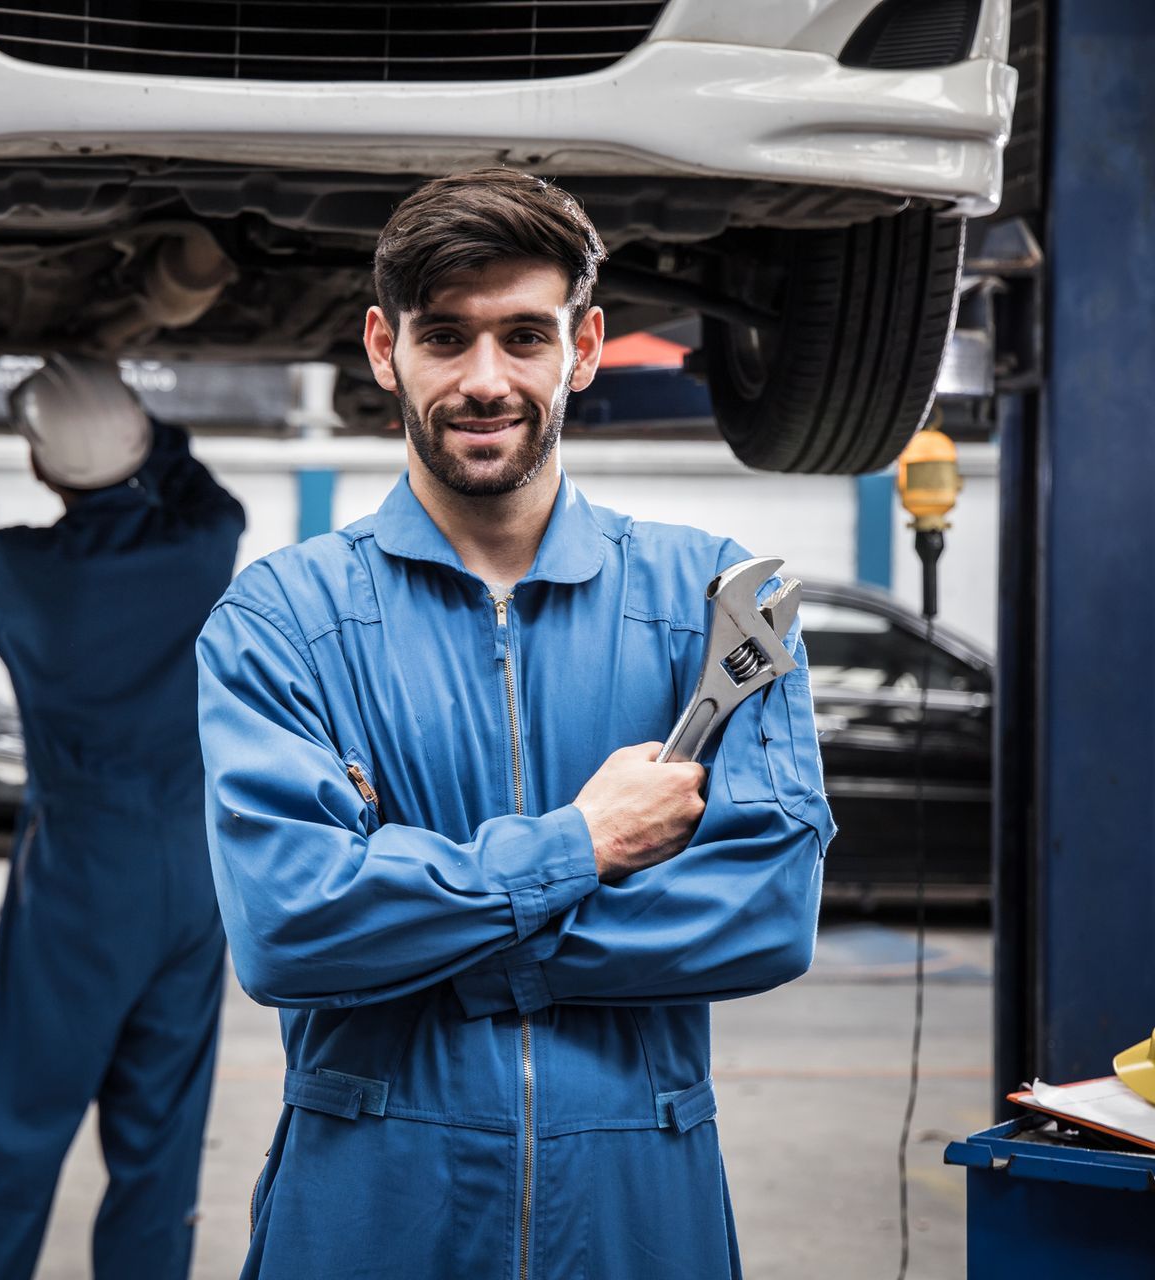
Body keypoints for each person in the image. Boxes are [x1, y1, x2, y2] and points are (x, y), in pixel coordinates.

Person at [195, 168, 833, 1278]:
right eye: (446, 336)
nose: (485, 380)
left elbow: (767, 911)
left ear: (583, 347)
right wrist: (580, 846)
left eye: (523, 337)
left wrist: (445, 943)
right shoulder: (282, 620)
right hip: (369, 1207)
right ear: (385, 349)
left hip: (640, 1204)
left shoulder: (710, 600)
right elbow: (290, 927)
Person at [0, 342, 247, 1280]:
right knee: (161, 1134)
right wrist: (137, 427)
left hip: (84, 879)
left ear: (43, 464)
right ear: (136, 443)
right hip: (194, 874)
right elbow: (208, 494)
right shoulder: (202, 544)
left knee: (21, 1113)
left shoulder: (26, 575)